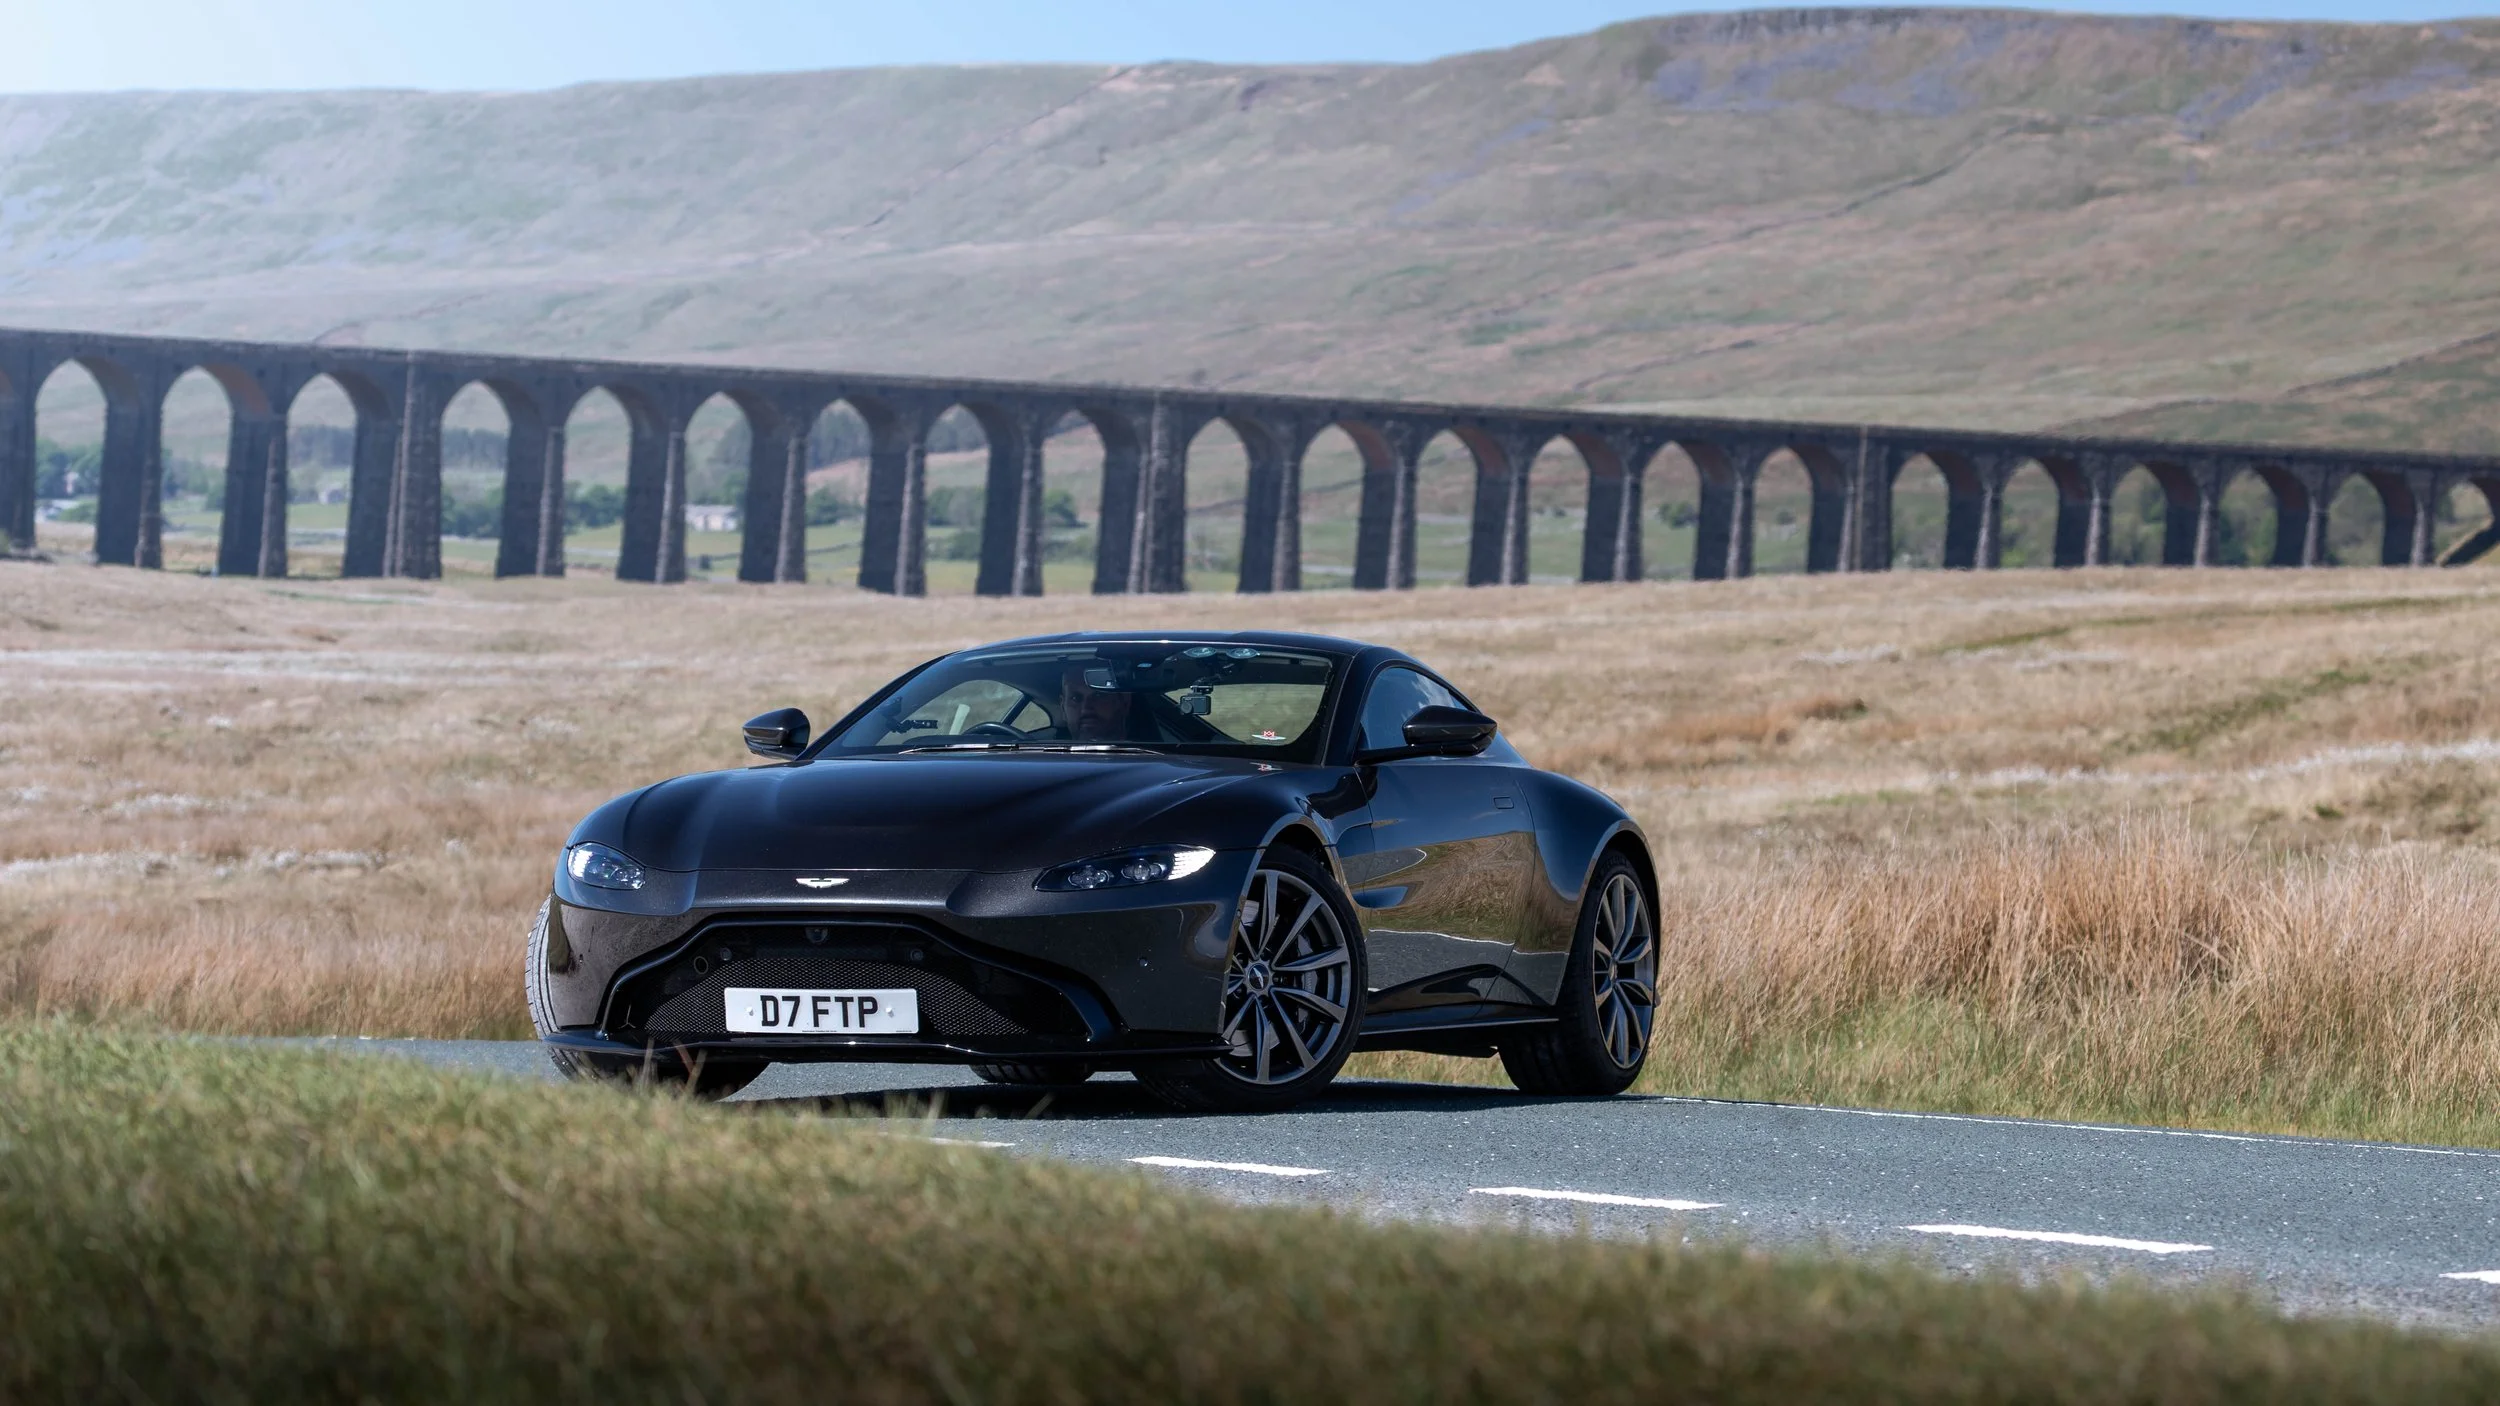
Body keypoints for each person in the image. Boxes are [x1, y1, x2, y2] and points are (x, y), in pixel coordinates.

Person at [1058, 664, 1139, 742]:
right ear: (1063, 708)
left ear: (1124, 702)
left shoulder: (1148, 754)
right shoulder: (1048, 754)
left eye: (1098, 695)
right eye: (1075, 698)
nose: (1085, 709)